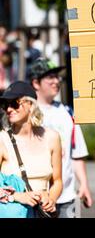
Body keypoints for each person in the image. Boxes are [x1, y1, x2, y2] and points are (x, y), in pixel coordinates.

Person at [28, 58, 93, 217]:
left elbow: (76, 154)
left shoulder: (68, 112)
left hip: (68, 196)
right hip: (36, 198)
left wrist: (84, 184)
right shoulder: (26, 113)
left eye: (57, 77)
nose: (56, 81)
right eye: (50, 77)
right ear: (36, 83)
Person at [0, 81, 62, 217]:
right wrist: (16, 196)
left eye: (15, 103)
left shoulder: (52, 137)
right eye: (6, 105)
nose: (9, 109)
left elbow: (57, 181)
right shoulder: (2, 140)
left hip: (40, 213)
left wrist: (51, 199)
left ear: (31, 104)